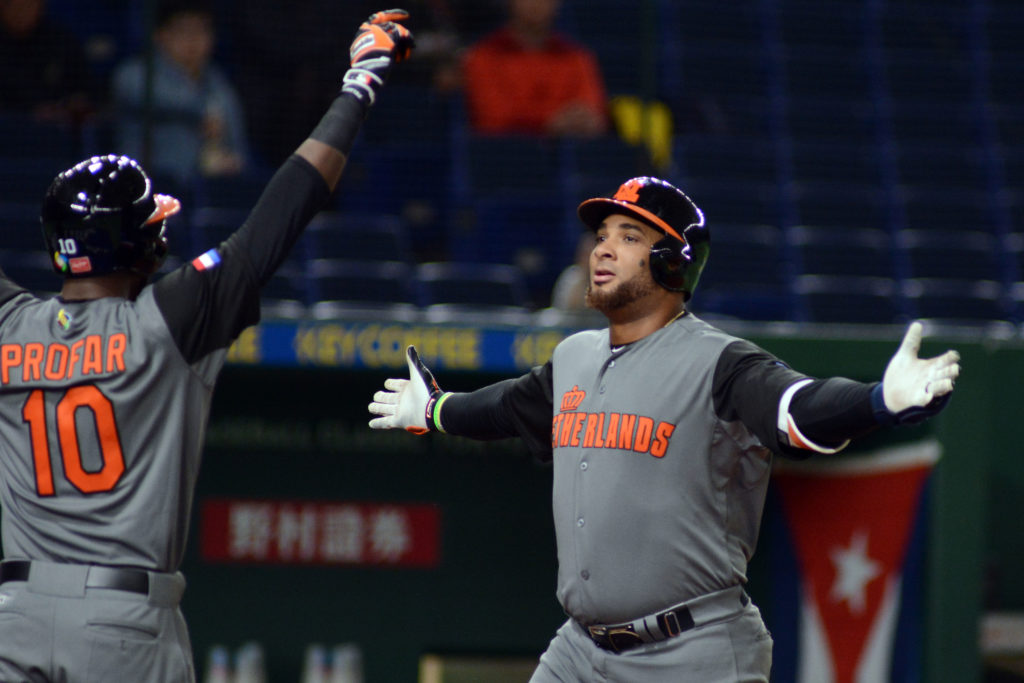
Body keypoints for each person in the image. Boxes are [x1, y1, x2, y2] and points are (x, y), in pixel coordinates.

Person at [367, 176, 961, 682]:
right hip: (581, 651)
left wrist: (878, 401)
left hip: (693, 652)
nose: (603, 249)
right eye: (602, 235)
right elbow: (507, 408)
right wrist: (436, 409)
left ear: (671, 261)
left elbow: (797, 407)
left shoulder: (721, 362)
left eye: (629, 237)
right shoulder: (574, 357)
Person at [0, 10, 412, 682]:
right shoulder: (170, 317)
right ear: (133, 242)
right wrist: (359, 85)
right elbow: (289, 203)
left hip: (12, 615)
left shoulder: (9, 322)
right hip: (121, 622)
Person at [110, 0, 249, 184]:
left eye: (201, 30)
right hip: (145, 186)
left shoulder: (218, 83)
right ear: (160, 35)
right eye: (183, 30)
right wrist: (202, 112)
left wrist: (233, 162)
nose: (193, 39)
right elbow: (137, 92)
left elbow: (236, 143)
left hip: (206, 189)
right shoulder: (136, 75)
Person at [462, 0, 608, 137]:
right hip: (505, 153)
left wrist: (580, 121)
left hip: (570, 151)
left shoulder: (577, 58)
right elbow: (492, 120)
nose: (536, 3)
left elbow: (591, 114)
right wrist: (548, 124)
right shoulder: (483, 56)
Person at [0, 0, 96, 123]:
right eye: (16, 5)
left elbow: (84, 88)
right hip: (10, 125)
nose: (22, 11)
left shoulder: (59, 40)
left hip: (58, 125)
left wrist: (73, 103)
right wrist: (31, 109)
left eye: (29, 4)